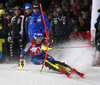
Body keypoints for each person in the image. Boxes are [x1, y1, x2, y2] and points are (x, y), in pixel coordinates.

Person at [18, 31, 84, 78]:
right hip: (35, 58)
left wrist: (48, 47)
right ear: (35, 38)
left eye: (40, 39)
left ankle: (70, 69)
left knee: (53, 61)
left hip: (42, 55)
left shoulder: (43, 41)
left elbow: (50, 45)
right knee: (45, 62)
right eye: (38, 39)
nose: (39, 40)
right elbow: (23, 51)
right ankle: (60, 70)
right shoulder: (30, 44)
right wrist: (21, 60)